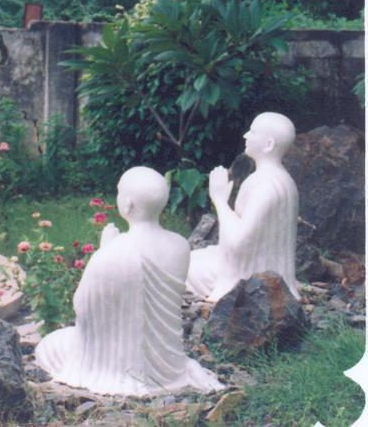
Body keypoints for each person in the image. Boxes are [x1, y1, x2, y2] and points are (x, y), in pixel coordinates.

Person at [35, 167, 222, 395]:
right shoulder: (180, 246)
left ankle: (120, 375)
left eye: (119, 192)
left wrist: (104, 251)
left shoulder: (114, 252)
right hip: (169, 365)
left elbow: (82, 308)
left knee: (50, 346)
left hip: (115, 361)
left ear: (127, 205)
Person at [187, 112, 299, 302]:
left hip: (248, 278)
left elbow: (239, 243)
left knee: (180, 266)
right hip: (262, 268)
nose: (245, 135)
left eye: (253, 132)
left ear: (269, 144)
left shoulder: (265, 186)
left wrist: (220, 200)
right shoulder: (285, 181)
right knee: (194, 256)